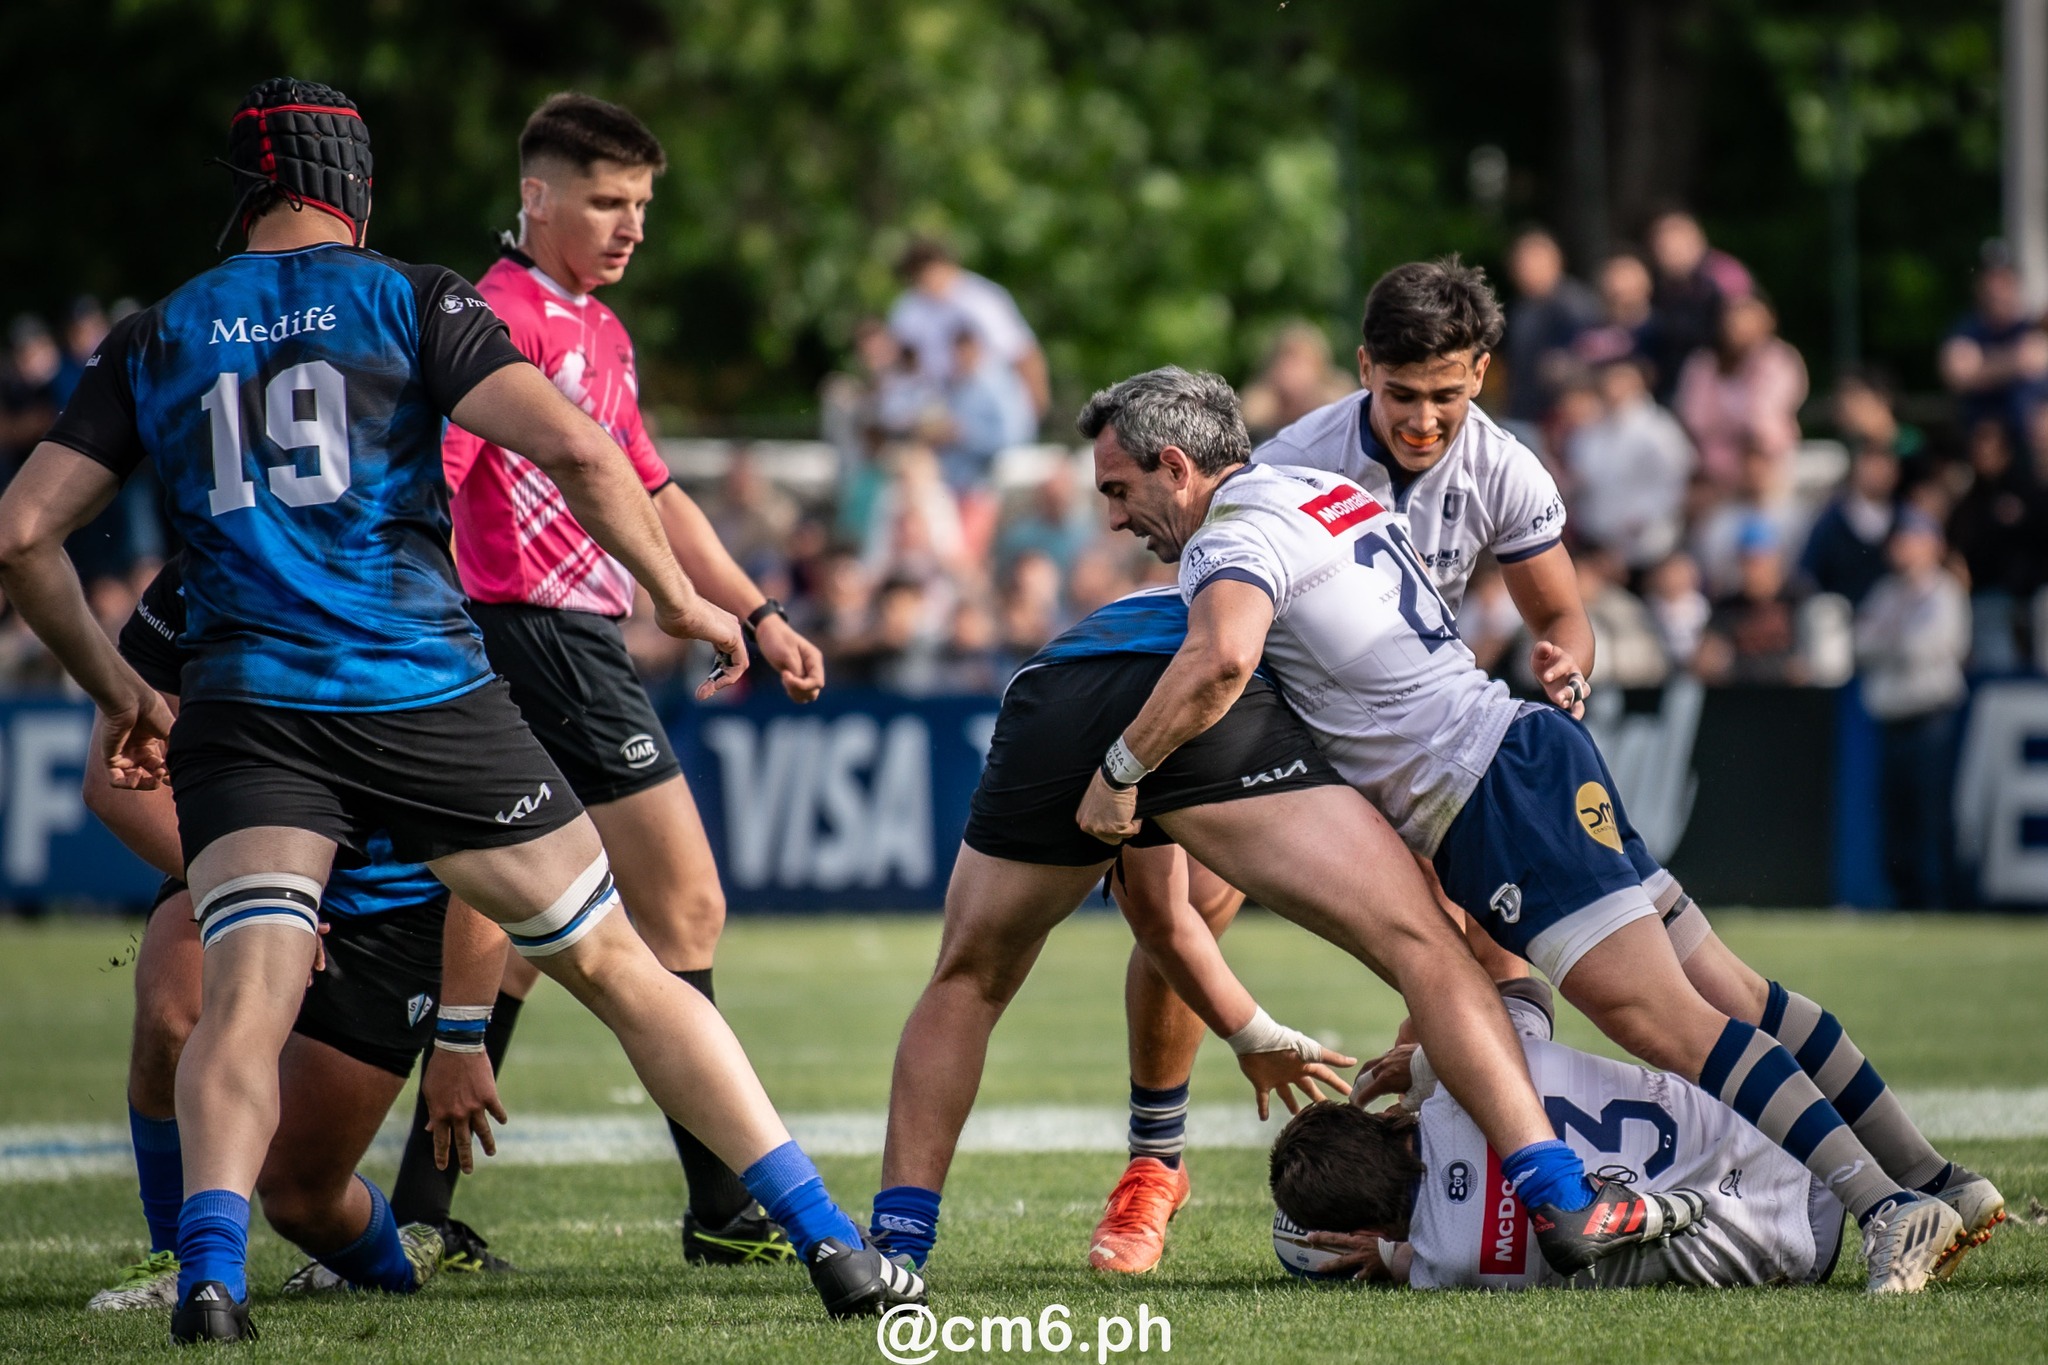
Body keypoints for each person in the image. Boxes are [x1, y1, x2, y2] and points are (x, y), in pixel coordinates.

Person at [0, 79, 916, 1341]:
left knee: (242, 1000)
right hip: (419, 690)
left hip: (253, 712)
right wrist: (684, 603)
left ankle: (208, 1277)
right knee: (619, 966)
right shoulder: (415, 298)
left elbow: (21, 535)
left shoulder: (160, 330)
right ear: (353, 184)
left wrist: (120, 691)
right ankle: (830, 1243)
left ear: (249, 194)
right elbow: (584, 453)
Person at [1072, 363, 1996, 1294]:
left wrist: (1121, 770)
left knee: (1668, 1019)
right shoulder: (1316, 487)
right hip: (1519, 750)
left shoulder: (1227, 536)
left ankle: (1886, 1207)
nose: (1118, 516)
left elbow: (1221, 657)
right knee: (1734, 992)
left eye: (1120, 488)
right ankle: (1936, 1178)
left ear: (1177, 465)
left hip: (1488, 793)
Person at [869, 581, 1699, 1279]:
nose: (1118, 511)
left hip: (1101, 676)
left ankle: (906, 1244)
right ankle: (1156, 1162)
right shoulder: (1352, 645)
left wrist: (1431, 1068)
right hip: (1175, 682)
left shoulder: (1360, 650)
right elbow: (1161, 917)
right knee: (1407, 935)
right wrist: (1261, 1033)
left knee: (1354, 926)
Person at [1089, 258, 1600, 1271]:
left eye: (1443, 396)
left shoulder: (1506, 467)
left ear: (1480, 375)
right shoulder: (1292, 456)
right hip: (1289, 709)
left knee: (1481, 942)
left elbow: (1562, 616)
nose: (1419, 420)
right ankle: (1155, 1163)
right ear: (1363, 369)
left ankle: (1474, 1172)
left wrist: (1564, 666)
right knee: (1183, 903)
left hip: (1417, 730)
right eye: (1398, 395)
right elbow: (1224, 629)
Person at [425, 92, 833, 1269]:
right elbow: (436, 488)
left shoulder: (596, 330)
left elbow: (651, 490)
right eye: (607, 202)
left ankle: (423, 1206)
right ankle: (723, 1208)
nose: (630, 227)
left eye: (642, 206)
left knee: (523, 920)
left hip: (576, 639)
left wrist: (754, 606)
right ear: (535, 197)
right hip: (528, 630)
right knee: (682, 903)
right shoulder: (495, 319)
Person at [84, 557, 505, 1310]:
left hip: (392, 907)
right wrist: (271, 897)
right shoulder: (197, 580)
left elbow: (493, 834)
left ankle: (396, 1259)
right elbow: (109, 783)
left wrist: (463, 1036)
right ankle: (174, 1256)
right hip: (246, 848)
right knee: (172, 1011)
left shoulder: (420, 588)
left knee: (300, 1195)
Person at [1269, 980, 1841, 1290]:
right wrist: (1427, 1058)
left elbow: (1417, 1254)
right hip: (1792, 1121)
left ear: (1366, 1224)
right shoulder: (1467, 1070)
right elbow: (1526, 990)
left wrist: (1385, 1252)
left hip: (1790, 1239)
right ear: (1381, 1119)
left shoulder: (1443, 1265)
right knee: (1435, 979)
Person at [1856, 513, 1971, 909]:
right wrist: (1895, 640)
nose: (1902, 548)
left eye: (1911, 540)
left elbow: (1925, 646)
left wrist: (1891, 640)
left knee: (1931, 812)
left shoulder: (1944, 591)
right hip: (1892, 722)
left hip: (1930, 718)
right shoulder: (1886, 591)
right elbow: (1860, 643)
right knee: (1897, 814)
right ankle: (1905, 898)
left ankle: (1941, 898)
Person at [888, 236, 1049, 419]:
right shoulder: (907, 309)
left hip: (985, 395)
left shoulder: (981, 299)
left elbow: (1022, 352)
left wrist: (1037, 406)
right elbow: (899, 364)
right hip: (935, 399)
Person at [1565, 357, 1695, 570]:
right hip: (1595, 547)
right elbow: (1581, 482)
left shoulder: (1660, 430)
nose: (1613, 385)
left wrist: (1636, 525)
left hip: (1648, 547)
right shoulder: (1589, 433)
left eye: (1622, 378)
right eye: (1610, 377)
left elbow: (1674, 485)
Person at [1674, 291, 1808, 491]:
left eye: (1749, 320)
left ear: (1768, 323)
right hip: (1710, 473)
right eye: (1734, 319)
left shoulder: (1780, 361)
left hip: (1766, 465)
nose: (1740, 327)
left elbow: (1764, 417)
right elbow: (1694, 420)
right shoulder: (1702, 364)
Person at [1940, 245, 2048, 452]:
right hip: (1982, 445)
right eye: (1991, 279)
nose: (1997, 289)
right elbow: (1958, 373)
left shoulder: (2031, 326)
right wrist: (2016, 360)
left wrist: (1985, 365)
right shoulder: (1967, 329)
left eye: (2004, 280)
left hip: (2032, 447)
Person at [1646, 209, 1750, 406]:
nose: (1667, 253)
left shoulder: (1723, 275)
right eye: (1661, 247)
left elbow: (1745, 328)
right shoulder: (1662, 288)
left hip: (1722, 381)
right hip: (1675, 385)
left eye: (1673, 244)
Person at [1500, 227, 1599, 424]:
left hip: (1564, 416)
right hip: (1525, 411)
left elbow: (1589, 358)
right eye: (1521, 262)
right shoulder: (1521, 308)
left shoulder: (1574, 305)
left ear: (1556, 261)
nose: (1526, 268)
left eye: (1534, 261)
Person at [1799, 442, 1899, 608]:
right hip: (1838, 614)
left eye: (1883, 467)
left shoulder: (1904, 519)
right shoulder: (1831, 519)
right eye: (1870, 466)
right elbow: (1810, 572)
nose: (1877, 474)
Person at [1239, 321, 1357, 441]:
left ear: (1317, 364)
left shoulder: (1336, 393)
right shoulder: (1263, 398)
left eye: (1298, 362)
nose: (1289, 370)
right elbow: (1249, 417)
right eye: (1285, 360)